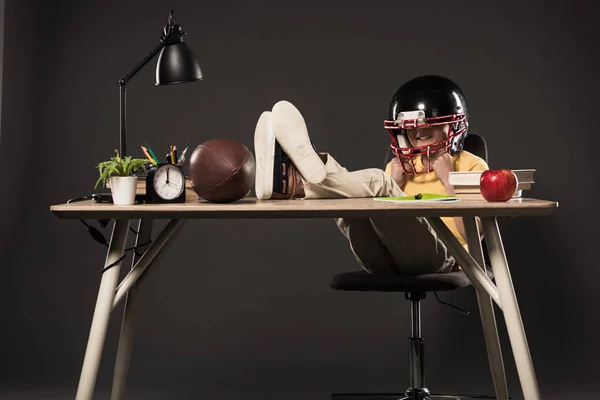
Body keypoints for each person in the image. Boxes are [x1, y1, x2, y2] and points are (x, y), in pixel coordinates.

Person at [253, 75, 489, 276]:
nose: (418, 131)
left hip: (443, 260)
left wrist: (450, 181)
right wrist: (396, 185)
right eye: (412, 128)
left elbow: (473, 233)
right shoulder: (401, 166)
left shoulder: (471, 164)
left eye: (428, 126)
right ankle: (303, 173)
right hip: (383, 258)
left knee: (377, 182)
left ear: (455, 127)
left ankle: (294, 183)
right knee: (353, 197)